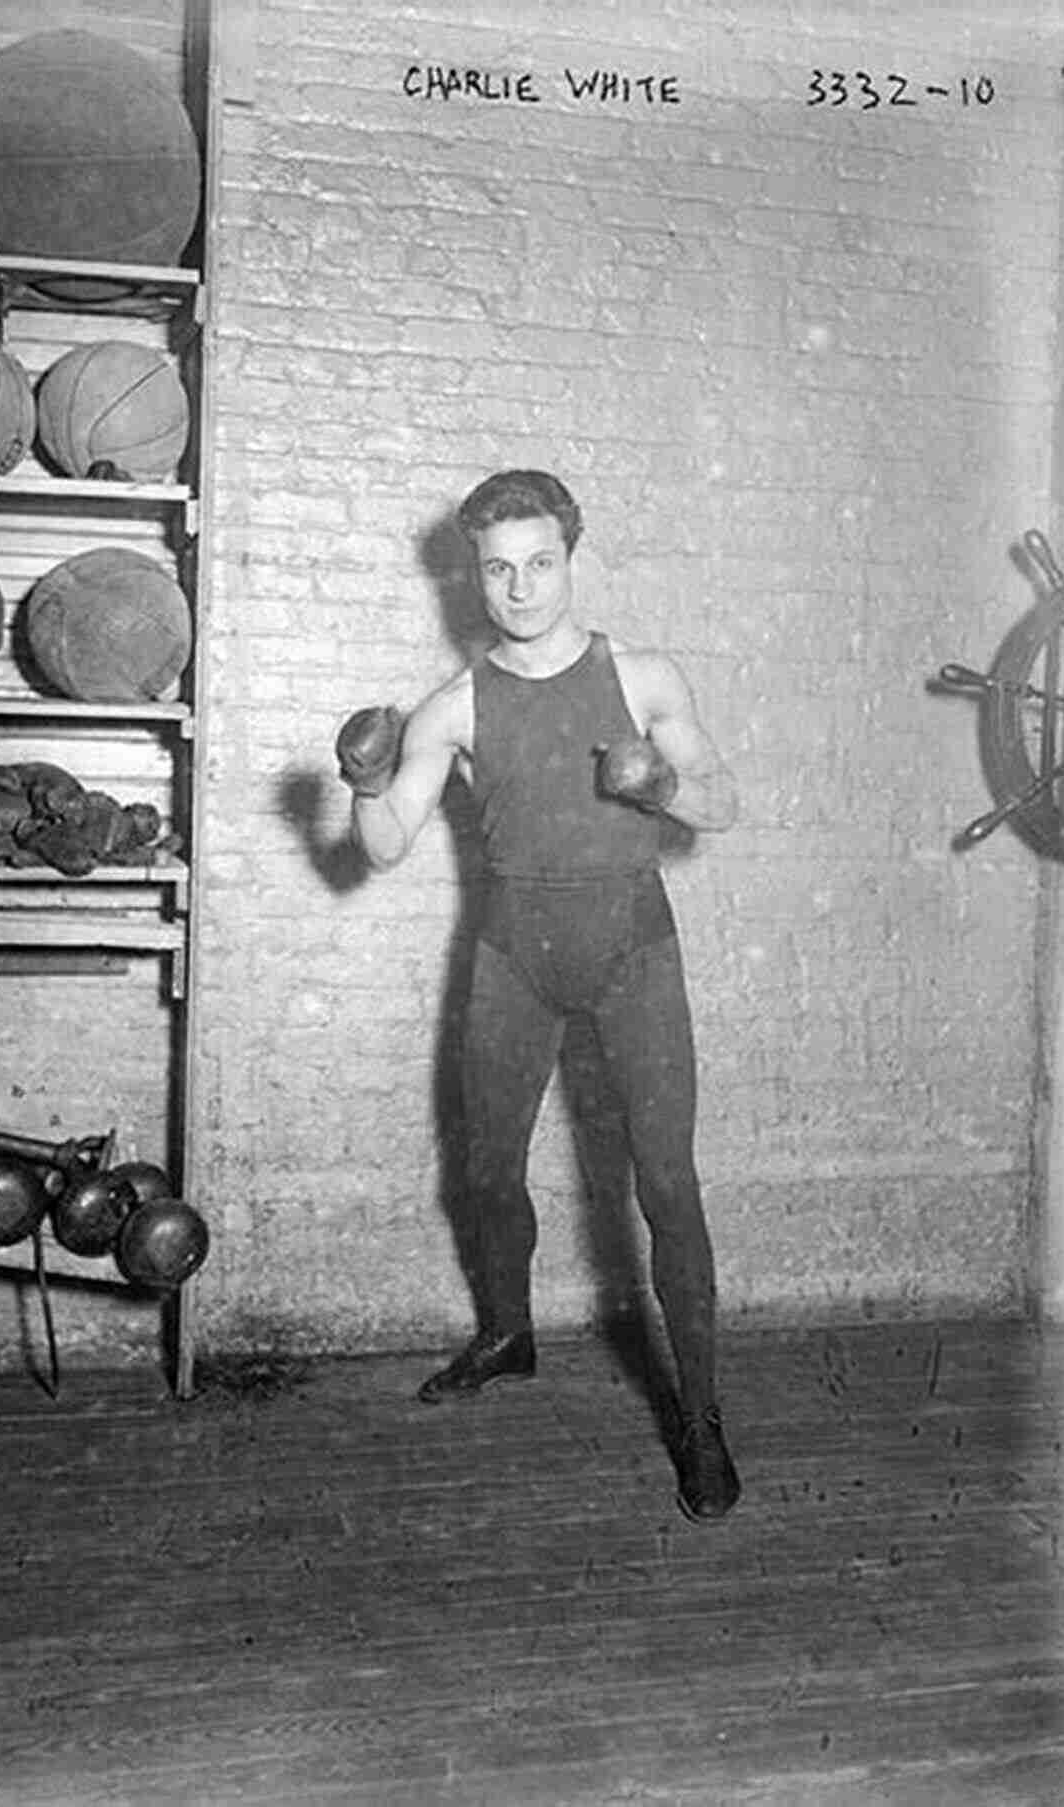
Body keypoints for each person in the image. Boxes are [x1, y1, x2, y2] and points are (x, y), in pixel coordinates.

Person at [335, 470, 741, 1522]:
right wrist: (363, 781)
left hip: (631, 949)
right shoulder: (456, 704)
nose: (519, 589)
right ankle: (509, 1333)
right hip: (514, 952)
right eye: (498, 568)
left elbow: (724, 802)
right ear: (473, 573)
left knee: (665, 1185)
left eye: (540, 563)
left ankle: (697, 1414)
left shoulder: (641, 676)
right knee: (485, 1163)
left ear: (573, 557)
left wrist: (658, 785)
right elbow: (381, 850)